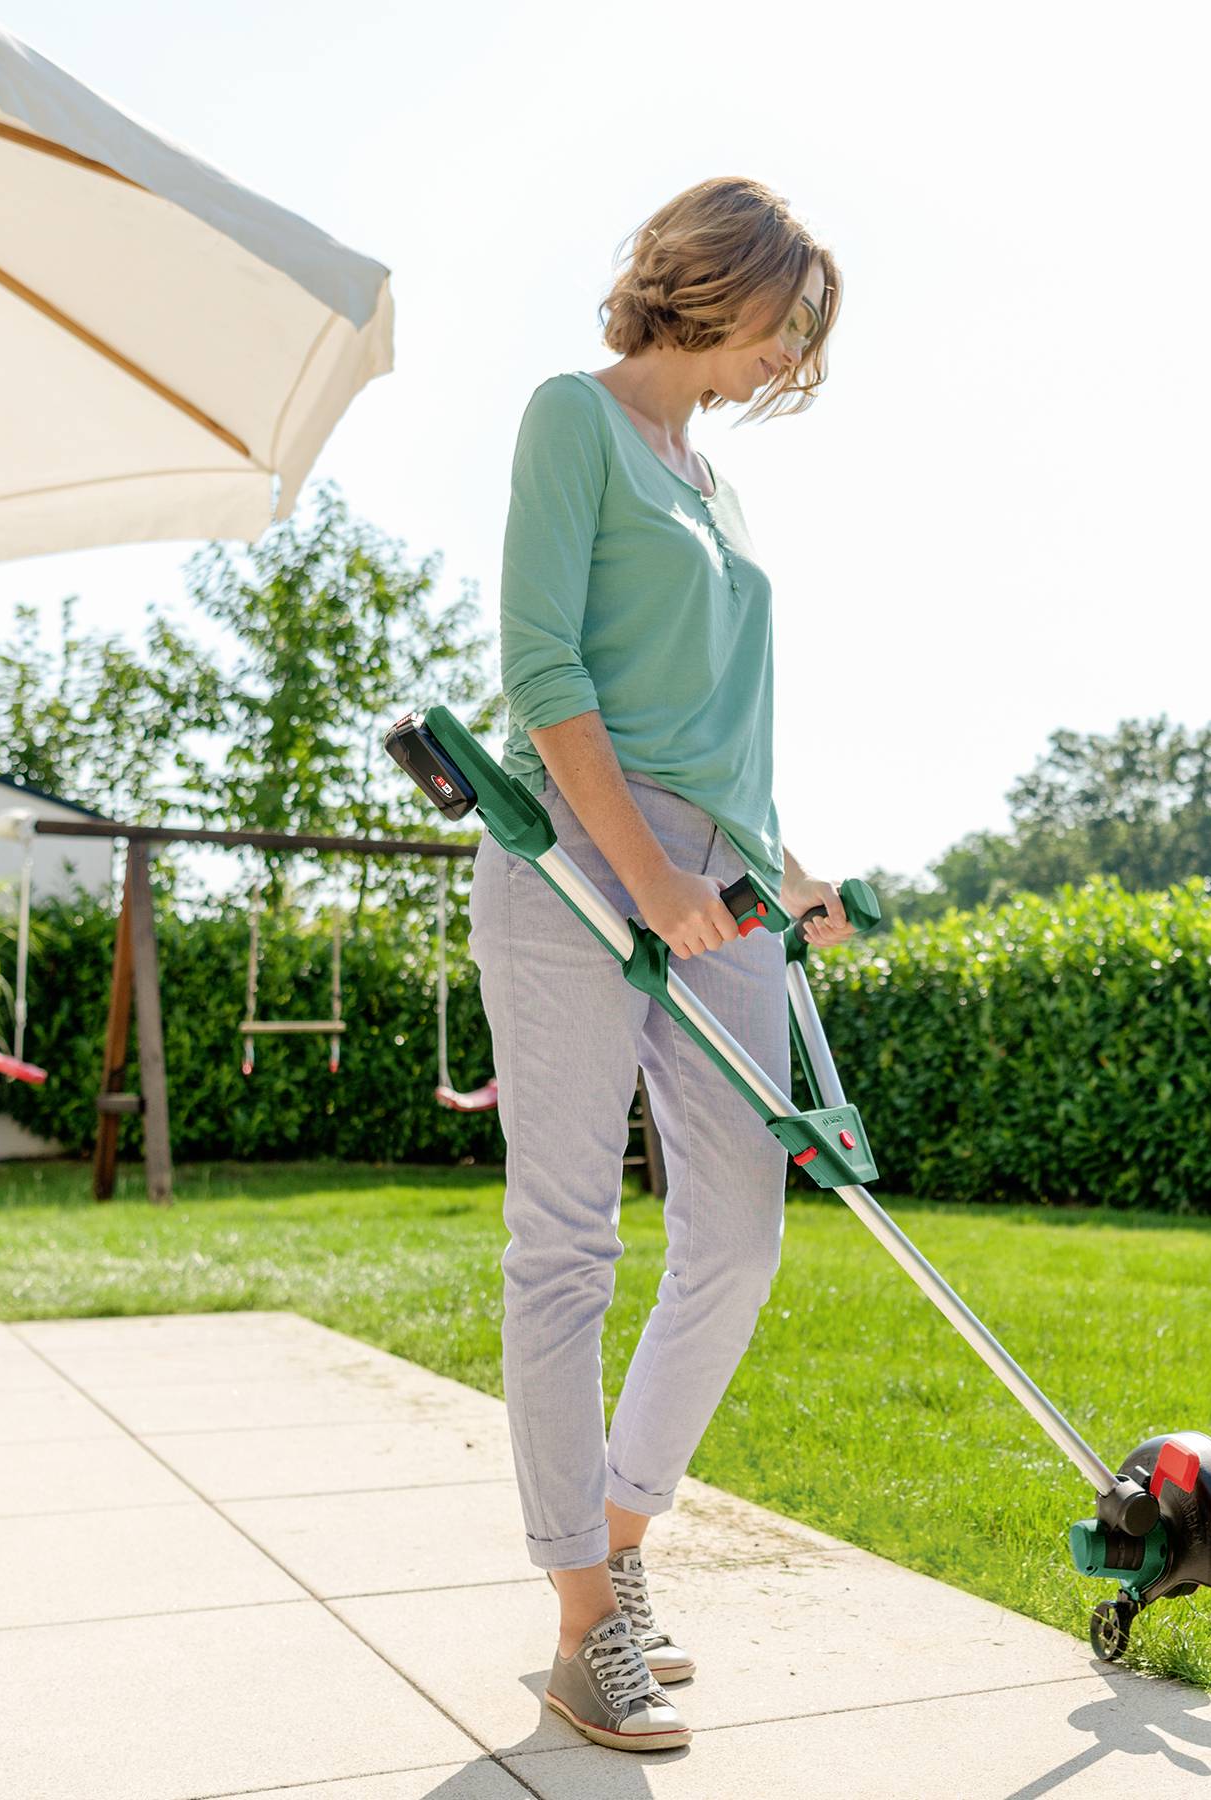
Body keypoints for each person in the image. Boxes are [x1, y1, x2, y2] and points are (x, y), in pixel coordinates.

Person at [470, 175, 851, 1755]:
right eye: (785, 326)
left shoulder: (712, 481)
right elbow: (544, 670)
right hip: (573, 852)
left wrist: (782, 868)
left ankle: (621, 1546)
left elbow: (722, 721)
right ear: (718, 288)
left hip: (721, 878)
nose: (787, 359)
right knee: (567, 1244)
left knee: (739, 1239)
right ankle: (580, 1623)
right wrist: (643, 881)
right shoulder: (578, 420)